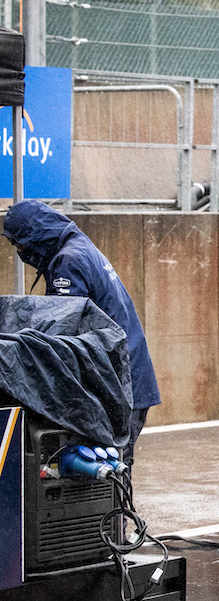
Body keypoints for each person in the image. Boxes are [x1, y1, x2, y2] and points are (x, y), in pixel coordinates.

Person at [3, 200, 160, 471]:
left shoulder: (68, 261)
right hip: (127, 376)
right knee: (110, 469)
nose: (20, 252)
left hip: (120, 384)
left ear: (34, 237)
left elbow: (62, 331)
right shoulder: (80, 247)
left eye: (19, 244)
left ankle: (118, 516)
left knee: (109, 473)